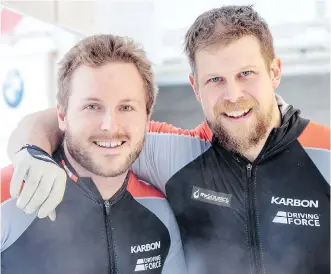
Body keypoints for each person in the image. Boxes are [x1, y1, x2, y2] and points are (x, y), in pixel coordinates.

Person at [6, 5, 330, 274]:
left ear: (274, 71)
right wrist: (32, 151)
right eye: (215, 79)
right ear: (195, 85)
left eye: (246, 74)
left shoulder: (325, 153)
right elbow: (80, 127)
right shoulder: (173, 153)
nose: (233, 95)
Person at [1, 34, 187, 274]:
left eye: (126, 107)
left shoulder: (159, 211)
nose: (109, 125)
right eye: (92, 106)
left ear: (147, 117)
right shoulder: (8, 196)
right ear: (61, 115)